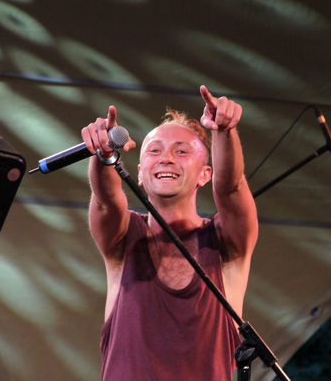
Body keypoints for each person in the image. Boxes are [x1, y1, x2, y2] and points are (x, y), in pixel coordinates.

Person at [81, 85, 258, 381]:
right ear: (139, 172)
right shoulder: (124, 237)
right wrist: (104, 154)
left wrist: (224, 131)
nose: (166, 158)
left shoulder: (226, 242)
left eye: (182, 151)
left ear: (205, 174)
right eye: (154, 150)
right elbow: (106, 199)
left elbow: (232, 188)